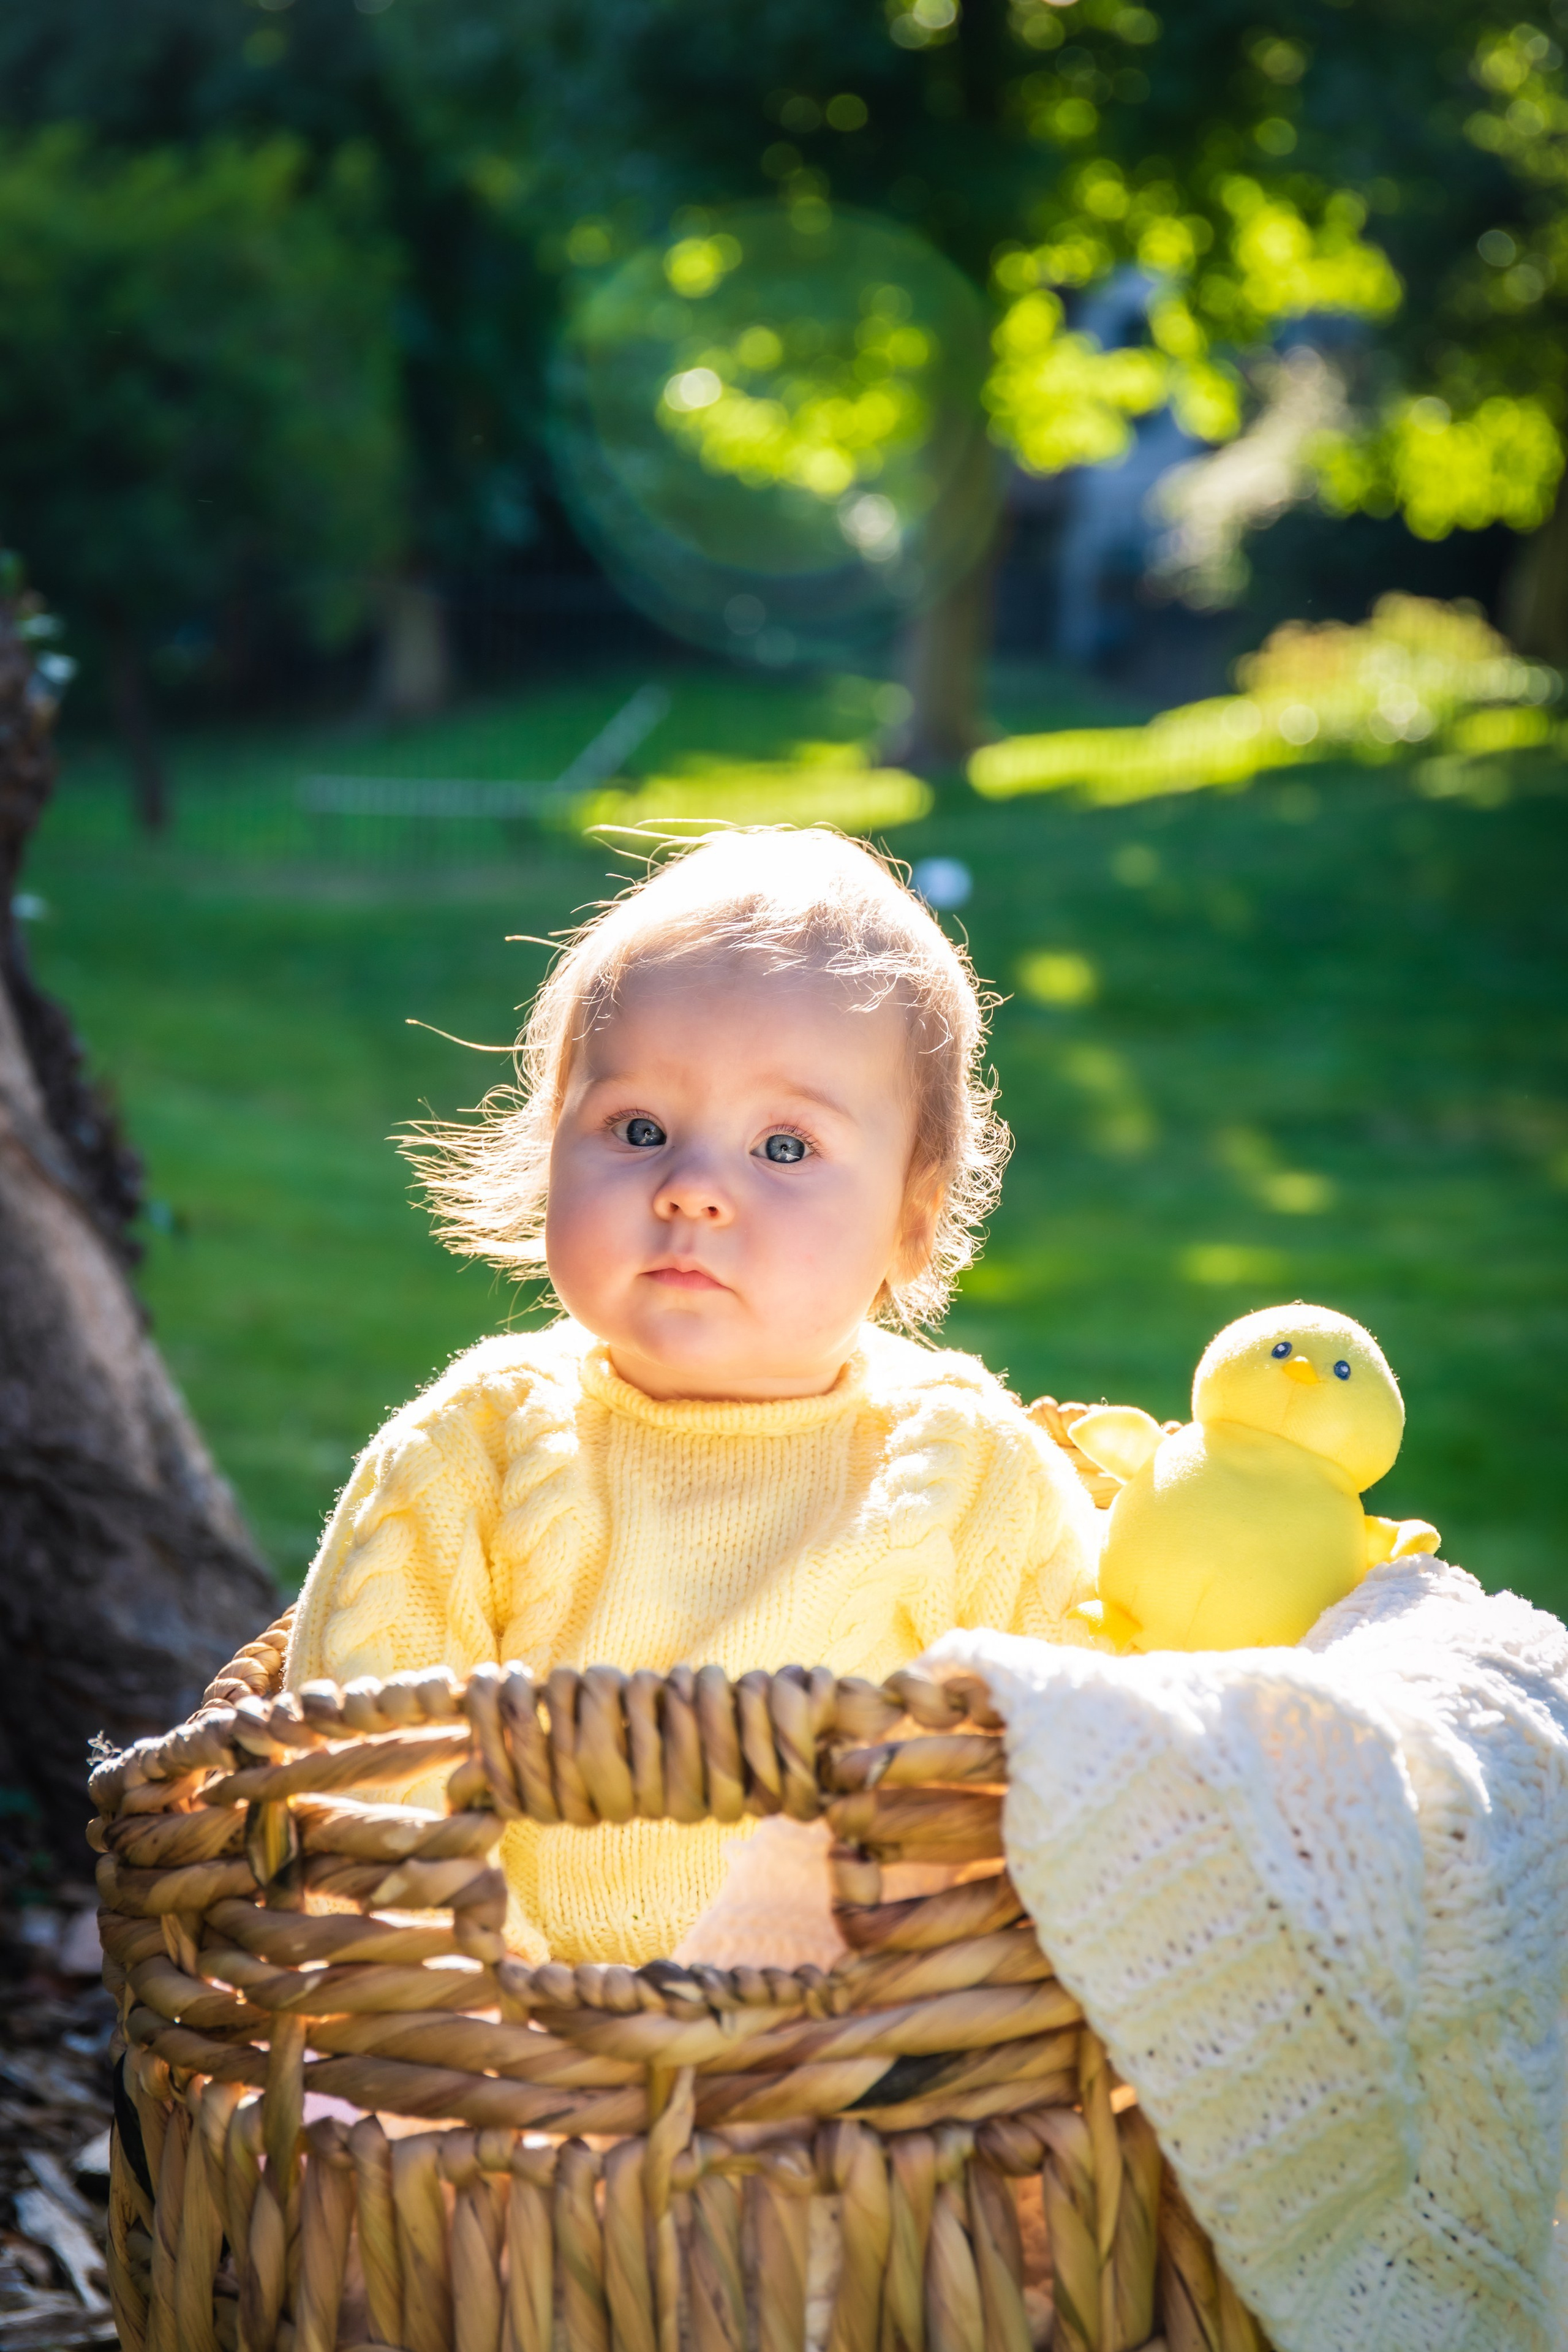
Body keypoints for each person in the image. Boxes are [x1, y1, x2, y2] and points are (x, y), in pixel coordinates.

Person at [284, 826, 1100, 1965]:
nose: (692, 1190)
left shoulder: (966, 1468)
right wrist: (502, 2028)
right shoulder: (477, 1447)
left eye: (782, 1145)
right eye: (639, 1129)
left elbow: (1088, 1768)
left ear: (913, 1221)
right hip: (507, 2059)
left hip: (867, 2060)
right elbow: (367, 1770)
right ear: (550, 1148)